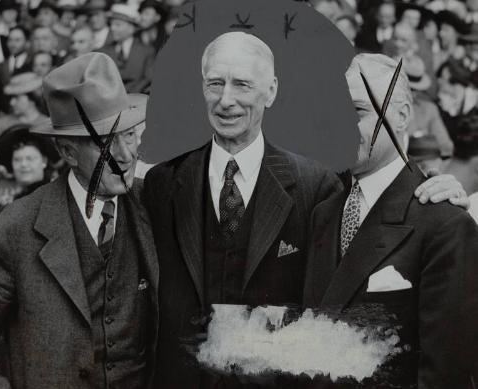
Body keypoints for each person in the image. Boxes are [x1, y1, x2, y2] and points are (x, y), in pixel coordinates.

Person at [143, 31, 467, 389]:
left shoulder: (317, 187)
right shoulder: (161, 184)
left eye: (243, 85)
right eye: (215, 83)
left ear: (272, 91)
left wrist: (441, 186)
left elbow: (446, 366)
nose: (226, 99)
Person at [0, 52, 158, 389]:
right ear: (67, 152)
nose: (125, 154)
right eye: (105, 142)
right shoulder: (14, 230)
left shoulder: (156, 205)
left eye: (130, 135)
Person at [303, 53, 478, 389]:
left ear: (401, 116)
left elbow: (445, 375)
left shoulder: (445, 223)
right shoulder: (323, 214)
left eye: (357, 111)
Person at [0, 122, 59, 204]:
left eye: (30, 159)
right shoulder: (4, 199)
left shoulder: (56, 195)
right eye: (17, 160)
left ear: (44, 161)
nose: (23, 164)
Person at [99, 3, 155, 93]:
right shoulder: (102, 52)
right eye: (111, 24)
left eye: (118, 25)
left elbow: (148, 78)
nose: (112, 28)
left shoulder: (147, 51)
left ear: (131, 28)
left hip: (137, 102)